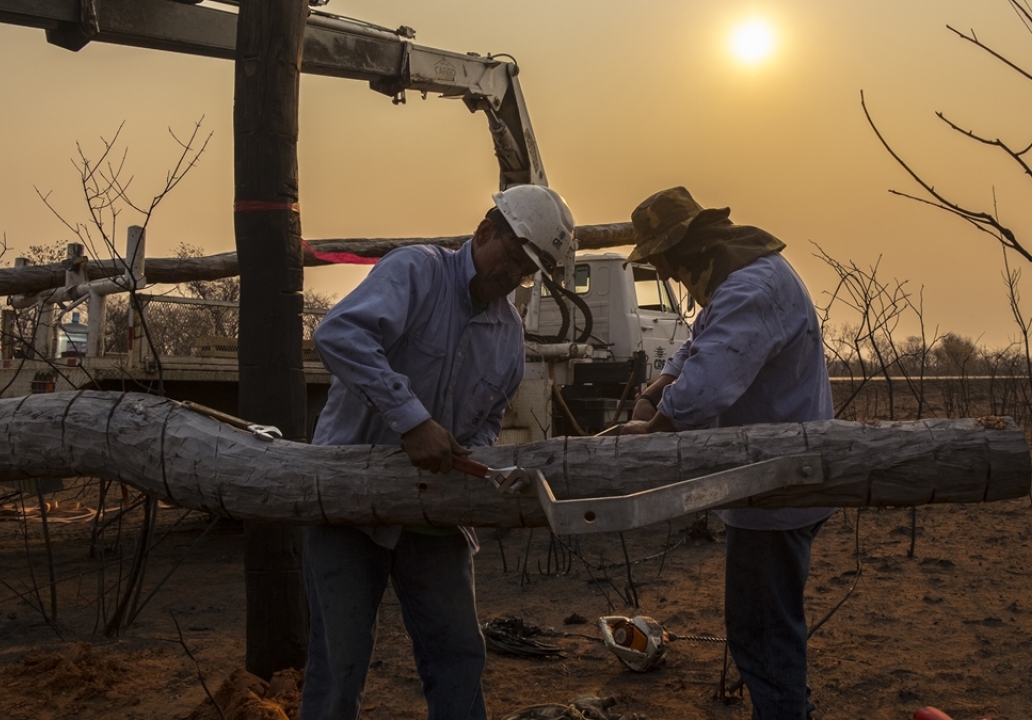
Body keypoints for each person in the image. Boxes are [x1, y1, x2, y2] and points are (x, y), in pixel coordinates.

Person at [300, 185, 575, 720]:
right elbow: (339, 335)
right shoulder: (416, 272)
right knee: (339, 667)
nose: (512, 273)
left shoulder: (508, 337)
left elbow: (489, 420)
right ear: (484, 232)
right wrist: (411, 419)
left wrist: (474, 462)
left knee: (458, 659)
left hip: (436, 514)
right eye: (511, 255)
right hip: (350, 503)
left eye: (526, 269)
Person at [620, 187, 833, 720]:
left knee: (761, 632)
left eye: (665, 264)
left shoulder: (749, 288)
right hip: (769, 482)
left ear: (681, 249)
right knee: (767, 624)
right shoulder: (743, 279)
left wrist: (654, 427)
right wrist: (651, 395)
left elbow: (705, 390)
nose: (669, 276)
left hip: (774, 484)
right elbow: (698, 346)